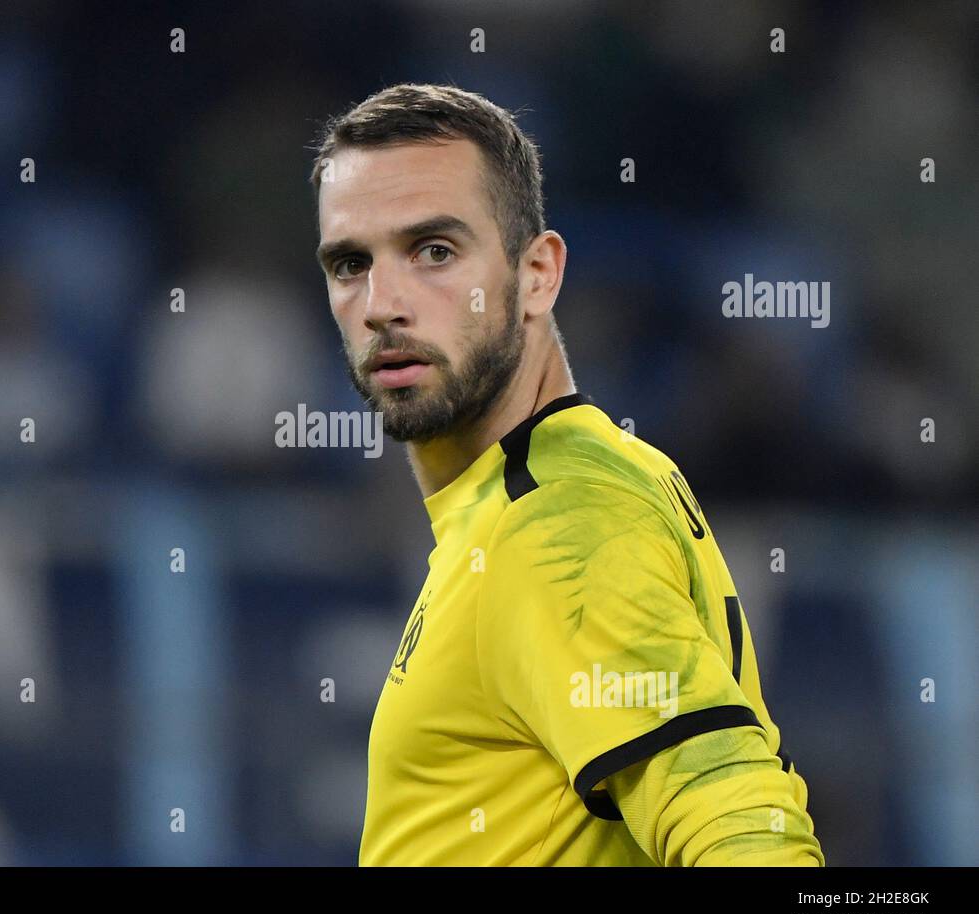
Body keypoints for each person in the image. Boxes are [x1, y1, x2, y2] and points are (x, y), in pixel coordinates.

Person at [309, 83, 823, 866]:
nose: (383, 303)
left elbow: (741, 826)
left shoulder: (557, 520)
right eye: (351, 263)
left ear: (539, 276)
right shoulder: (534, 495)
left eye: (434, 251)